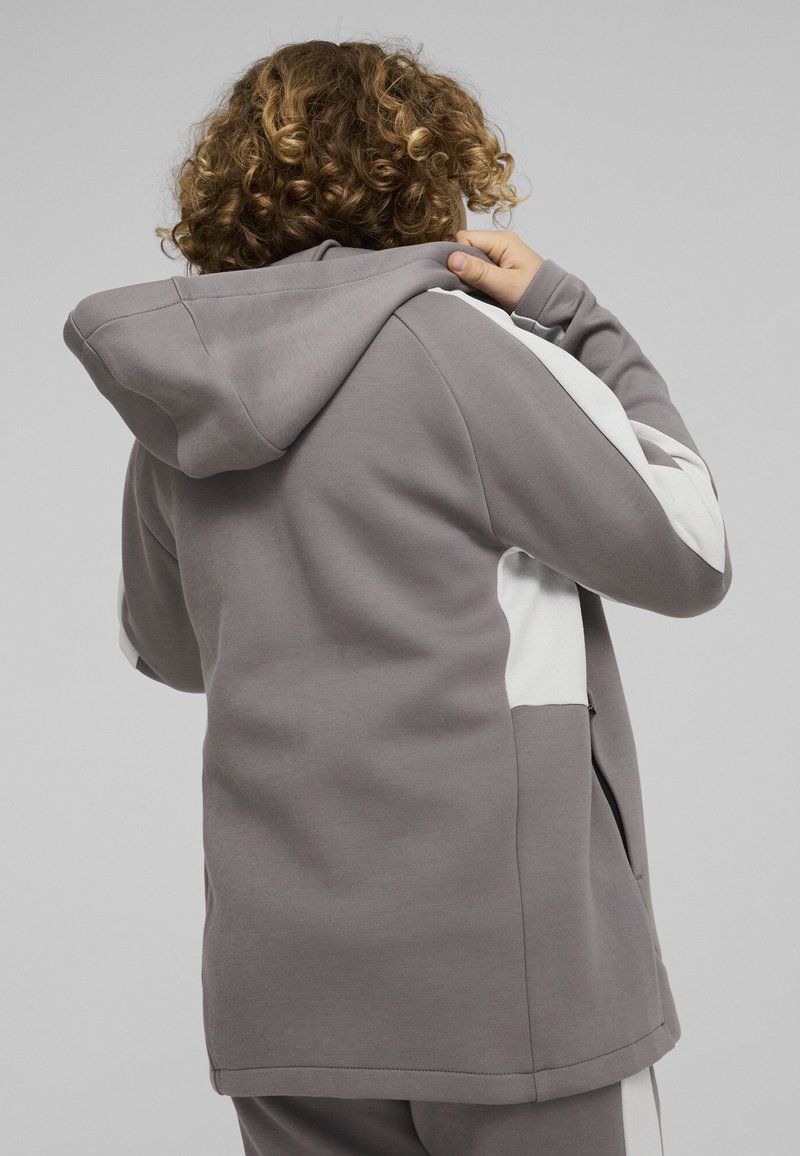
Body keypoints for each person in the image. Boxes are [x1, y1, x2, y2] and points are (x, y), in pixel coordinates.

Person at [62, 37, 732, 1156]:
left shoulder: (179, 407)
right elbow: (689, 551)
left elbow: (169, 651)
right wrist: (574, 314)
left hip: (284, 994)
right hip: (511, 982)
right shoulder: (462, 350)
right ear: (429, 174)